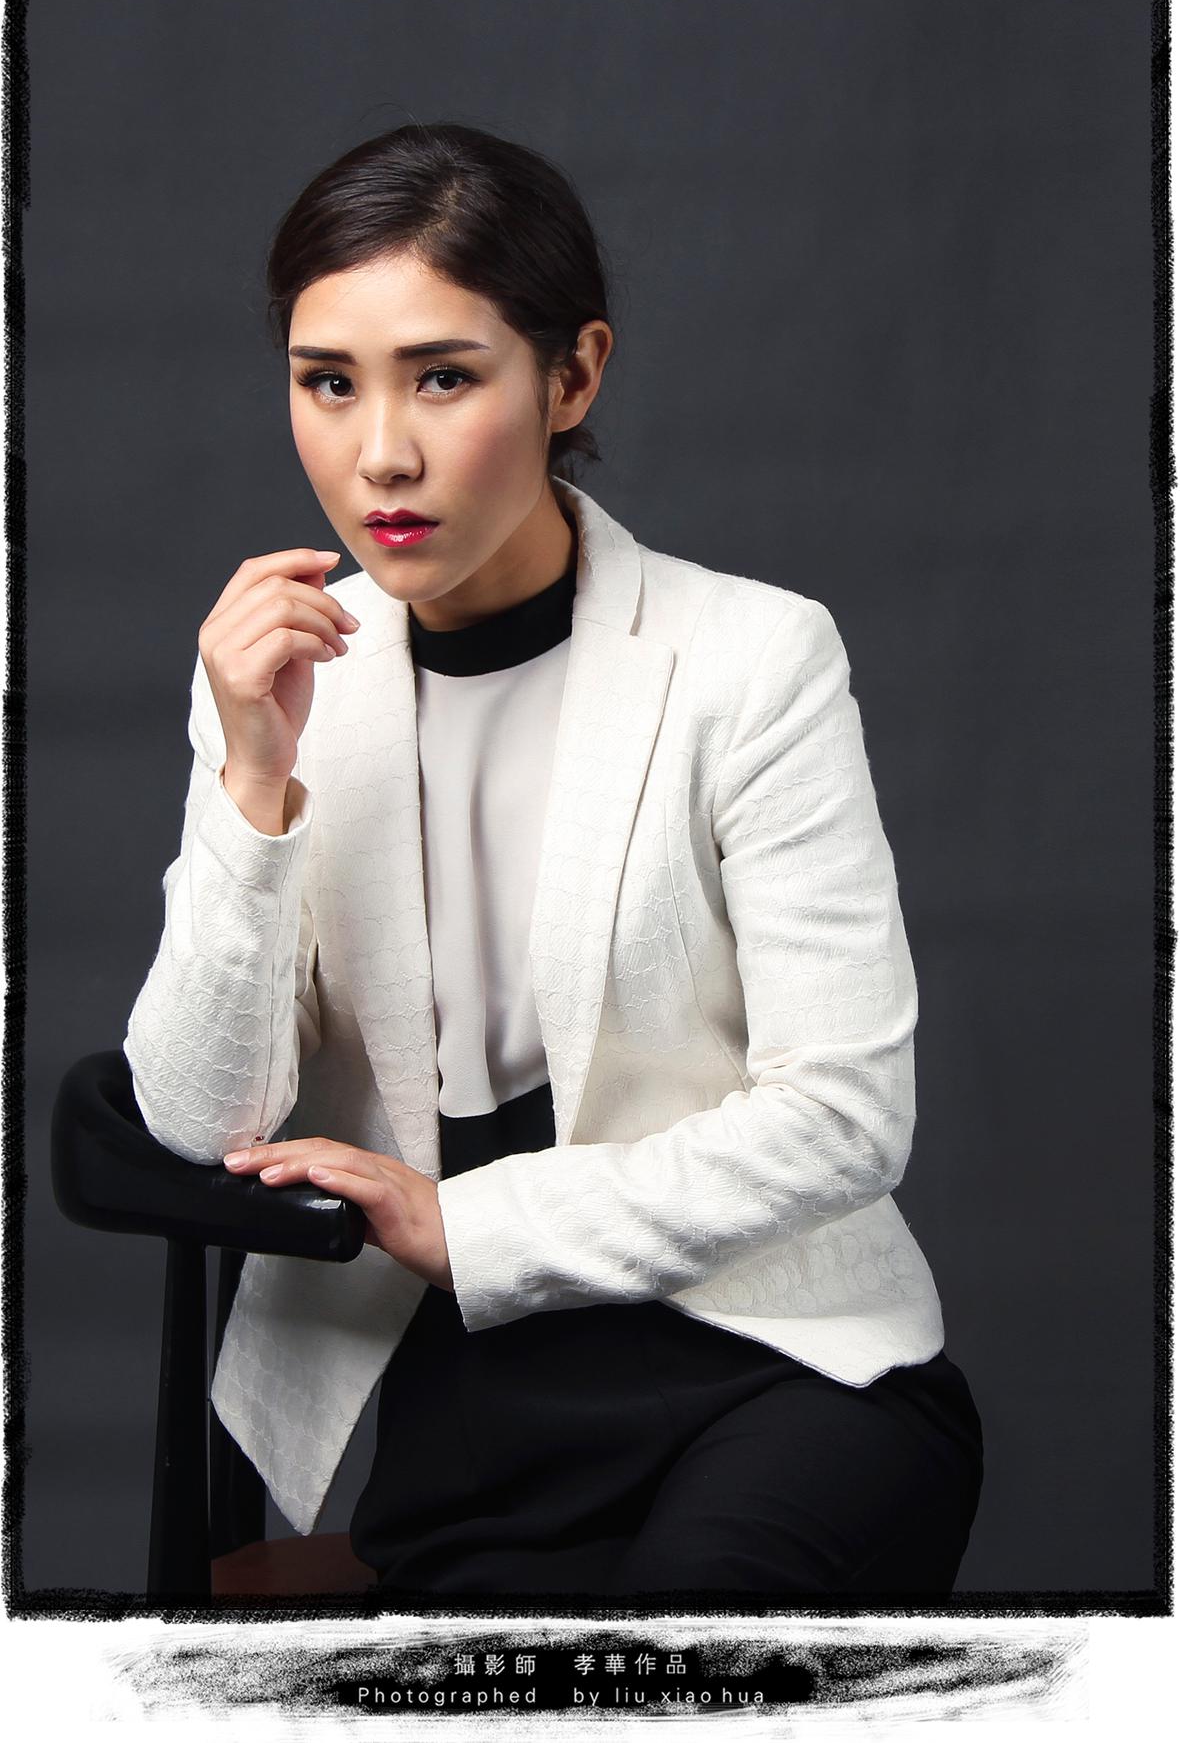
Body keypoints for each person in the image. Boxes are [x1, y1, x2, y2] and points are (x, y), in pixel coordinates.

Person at [124, 120, 984, 1598]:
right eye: (329, 382)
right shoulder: (282, 683)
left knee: (678, 1664)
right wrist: (255, 785)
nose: (380, 453)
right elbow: (204, 1124)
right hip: (482, 1418)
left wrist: (463, 1223)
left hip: (780, 1366)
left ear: (572, 376)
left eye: (442, 377)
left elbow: (846, 1117)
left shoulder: (751, 659)